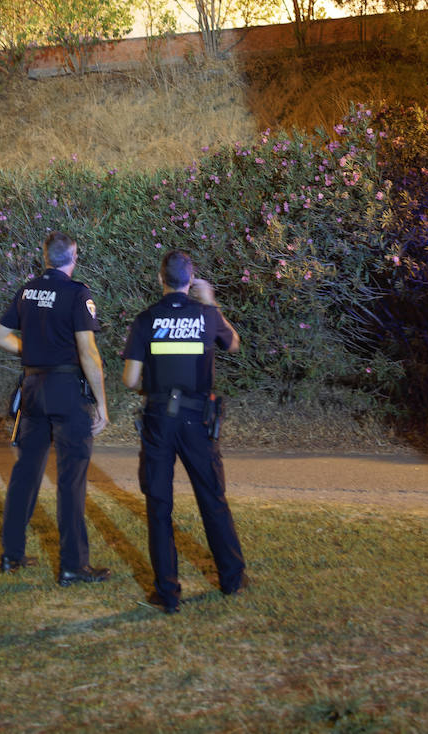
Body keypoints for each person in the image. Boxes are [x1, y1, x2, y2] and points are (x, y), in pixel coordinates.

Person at [122, 248, 247, 613]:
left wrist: (154, 381)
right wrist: (211, 301)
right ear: (190, 280)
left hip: (159, 419)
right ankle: (232, 580)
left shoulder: (146, 320)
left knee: (159, 505)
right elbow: (234, 344)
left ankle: (167, 593)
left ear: (160, 279)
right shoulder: (207, 315)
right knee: (212, 499)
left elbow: (130, 379)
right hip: (197, 420)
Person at [0, 230, 111, 585]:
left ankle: (11, 555)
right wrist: (102, 403)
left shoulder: (28, 291)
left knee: (25, 474)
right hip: (66, 390)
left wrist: (30, 351)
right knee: (71, 479)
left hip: (32, 390)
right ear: (74, 256)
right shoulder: (77, 294)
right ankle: (73, 565)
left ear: (45, 257)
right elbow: (88, 352)